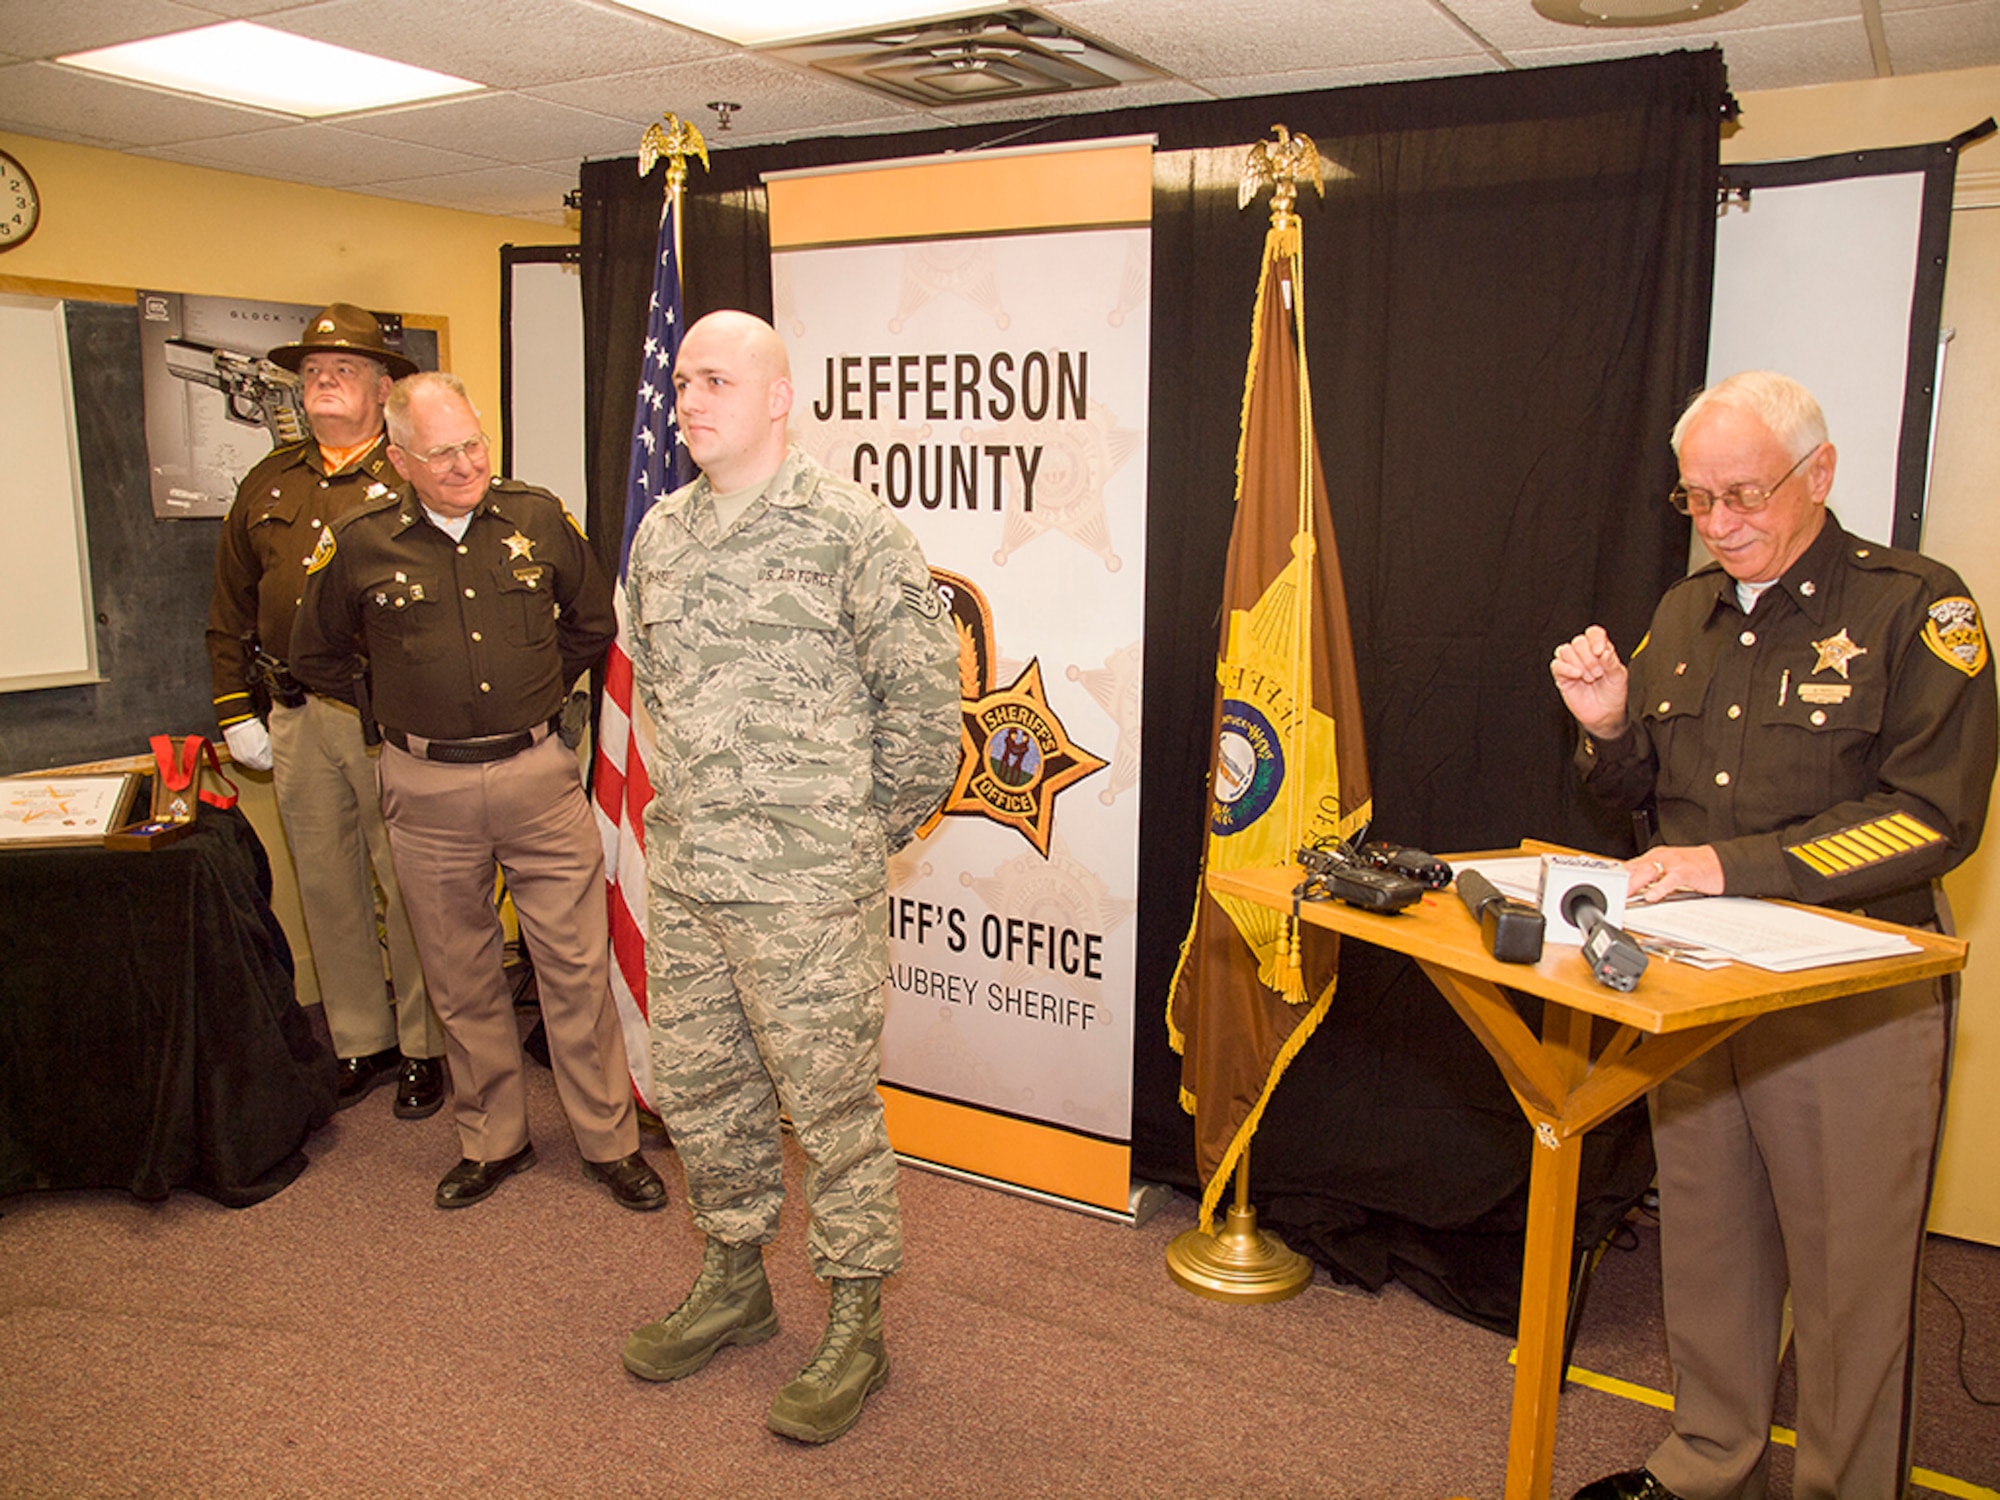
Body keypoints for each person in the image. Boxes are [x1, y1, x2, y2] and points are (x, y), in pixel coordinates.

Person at [1551, 371, 1997, 1500]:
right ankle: (1710, 1462)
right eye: (1694, 500)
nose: (1719, 523)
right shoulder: (1681, 612)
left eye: (1742, 494)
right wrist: (1607, 730)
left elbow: (1929, 818)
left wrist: (1727, 868)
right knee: (1708, 1246)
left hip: (1850, 997)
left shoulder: (1915, 609)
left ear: (1820, 474)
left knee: (1848, 1281)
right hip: (1699, 984)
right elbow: (1641, 795)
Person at [618, 311, 960, 1444]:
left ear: (777, 397)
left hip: (810, 887)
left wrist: (849, 839)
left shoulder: (852, 530)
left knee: (828, 1108)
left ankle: (857, 1315)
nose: (689, 399)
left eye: (715, 379)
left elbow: (922, 711)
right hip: (691, 875)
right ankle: (735, 1277)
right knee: (705, 1089)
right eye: (680, 382)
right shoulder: (661, 534)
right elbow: (659, 692)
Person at [291, 371, 666, 1215]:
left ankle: (609, 1141)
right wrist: (392, 703)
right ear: (399, 459)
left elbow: (592, 624)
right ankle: (494, 1140)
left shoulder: (534, 517)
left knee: (576, 967)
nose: (465, 465)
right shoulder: (359, 542)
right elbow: (311, 655)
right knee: (461, 977)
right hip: (425, 788)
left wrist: (540, 691)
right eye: (442, 453)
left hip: (538, 776)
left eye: (474, 444)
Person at [206, 302, 445, 1120]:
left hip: (383, 715)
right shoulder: (270, 482)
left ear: (383, 388)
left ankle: (423, 1044)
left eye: (341, 370)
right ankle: (359, 1038)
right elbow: (228, 606)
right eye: (311, 372)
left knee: (405, 882)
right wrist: (237, 707)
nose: (321, 383)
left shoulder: (415, 477)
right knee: (328, 883)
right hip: (295, 715)